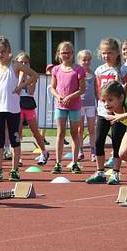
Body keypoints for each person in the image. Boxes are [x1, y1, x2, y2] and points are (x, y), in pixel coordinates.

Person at [0, 36, 38, 182]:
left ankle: (14, 170)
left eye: (2, 51)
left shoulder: (15, 65)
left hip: (13, 108)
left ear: (9, 51)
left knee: (14, 139)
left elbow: (34, 75)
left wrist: (20, 87)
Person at [86, 38, 127, 185]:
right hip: (102, 111)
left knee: (117, 142)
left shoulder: (123, 69)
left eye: (110, 53)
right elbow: (97, 90)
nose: (107, 56)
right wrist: (103, 102)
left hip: (118, 113)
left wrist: (122, 93)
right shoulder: (99, 70)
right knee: (98, 141)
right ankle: (100, 172)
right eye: (104, 53)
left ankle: (116, 173)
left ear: (117, 53)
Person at [49, 42, 85, 175]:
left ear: (73, 54)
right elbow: (52, 87)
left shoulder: (78, 69)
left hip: (74, 106)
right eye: (63, 52)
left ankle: (75, 162)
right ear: (59, 54)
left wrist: (71, 96)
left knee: (74, 133)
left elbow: (82, 89)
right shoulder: (56, 69)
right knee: (60, 133)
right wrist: (58, 96)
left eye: (69, 52)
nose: (66, 55)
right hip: (60, 106)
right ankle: (58, 162)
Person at [15, 52, 48, 166]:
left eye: (26, 62)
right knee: (17, 132)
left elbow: (31, 91)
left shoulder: (32, 75)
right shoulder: (13, 75)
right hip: (17, 106)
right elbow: (17, 91)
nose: (23, 64)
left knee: (35, 131)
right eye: (21, 62)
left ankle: (43, 152)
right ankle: (18, 157)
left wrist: (26, 79)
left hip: (28, 105)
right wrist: (20, 78)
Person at [77, 49, 97, 162]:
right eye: (84, 60)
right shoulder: (77, 73)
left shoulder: (93, 74)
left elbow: (96, 90)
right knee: (80, 129)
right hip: (79, 105)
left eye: (88, 60)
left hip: (90, 105)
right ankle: (80, 150)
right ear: (79, 61)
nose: (86, 62)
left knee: (91, 129)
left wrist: (98, 104)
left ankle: (93, 151)